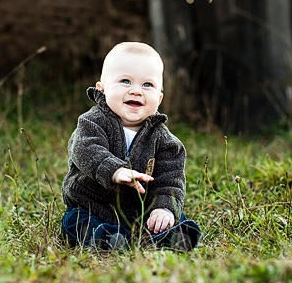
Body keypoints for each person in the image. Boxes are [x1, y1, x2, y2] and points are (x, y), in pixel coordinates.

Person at [61, 41, 201, 251]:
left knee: (170, 218)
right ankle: (108, 239)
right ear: (103, 88)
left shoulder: (164, 140)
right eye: (125, 81)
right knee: (75, 223)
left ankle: (168, 236)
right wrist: (114, 170)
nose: (136, 91)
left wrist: (164, 209)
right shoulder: (92, 122)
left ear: (159, 98)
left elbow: (170, 178)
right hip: (92, 206)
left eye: (147, 85)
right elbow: (85, 149)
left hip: (139, 211)